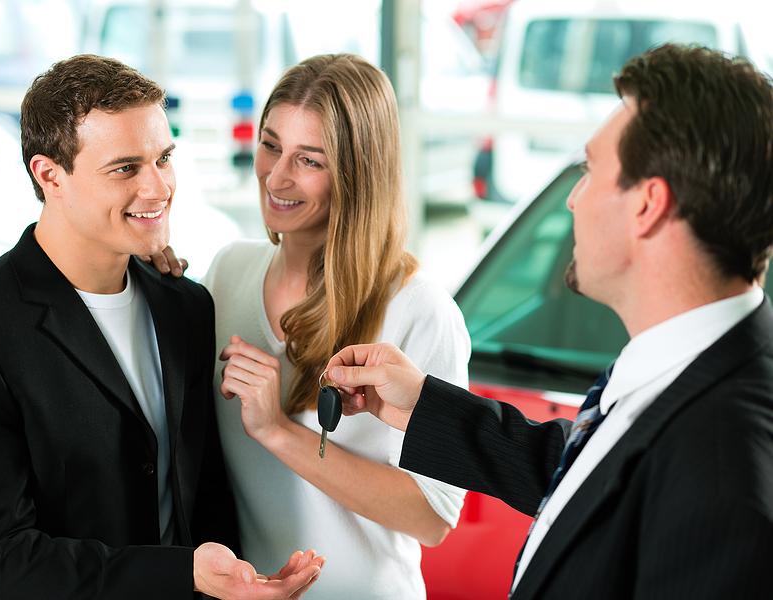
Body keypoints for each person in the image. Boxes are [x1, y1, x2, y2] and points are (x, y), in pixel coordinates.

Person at [325, 44, 773, 599]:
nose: (573, 202)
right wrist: (423, 405)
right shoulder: (685, 366)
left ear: (648, 206)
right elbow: (594, 473)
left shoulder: (724, 476)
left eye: (591, 172)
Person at [0, 54, 322, 600]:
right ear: (49, 174)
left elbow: (201, 496)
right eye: (125, 168)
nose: (158, 189)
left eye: (164, 158)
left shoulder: (186, 308)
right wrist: (180, 574)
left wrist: (236, 582)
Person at [154, 53, 470, 599]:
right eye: (271, 145)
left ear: (357, 173)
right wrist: (154, 295)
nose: (276, 176)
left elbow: (434, 518)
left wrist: (278, 430)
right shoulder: (228, 271)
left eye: (309, 160)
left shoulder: (420, 310)